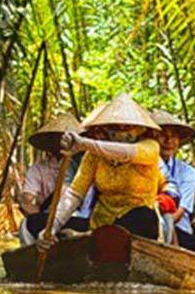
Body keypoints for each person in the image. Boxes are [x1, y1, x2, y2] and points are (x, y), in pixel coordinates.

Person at [45, 96, 167, 242]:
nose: (121, 130)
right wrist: (52, 227)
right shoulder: (93, 155)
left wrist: (84, 144)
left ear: (141, 129)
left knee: (143, 217)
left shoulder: (150, 147)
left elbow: (126, 153)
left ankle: (93, 239)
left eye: (128, 126)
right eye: (115, 126)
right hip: (100, 224)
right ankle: (92, 238)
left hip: (139, 225)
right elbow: (75, 193)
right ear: (104, 129)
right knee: (36, 222)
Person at [152, 110, 195, 257]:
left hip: (176, 227)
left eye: (173, 136)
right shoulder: (142, 165)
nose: (168, 141)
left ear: (179, 141)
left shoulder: (187, 172)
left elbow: (180, 212)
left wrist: (163, 225)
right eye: (163, 135)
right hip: (148, 222)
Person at [17, 114, 87, 243]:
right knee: (26, 225)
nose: (64, 142)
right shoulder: (39, 168)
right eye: (61, 138)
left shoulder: (86, 163)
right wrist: (42, 223)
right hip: (46, 218)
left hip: (77, 218)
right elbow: (27, 200)